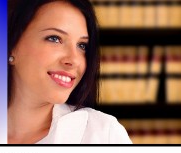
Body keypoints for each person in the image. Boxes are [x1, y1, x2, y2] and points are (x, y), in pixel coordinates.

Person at [8, 0, 132, 144]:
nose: (74, 60)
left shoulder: (103, 134)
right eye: (54, 38)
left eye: (82, 45)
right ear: (11, 46)